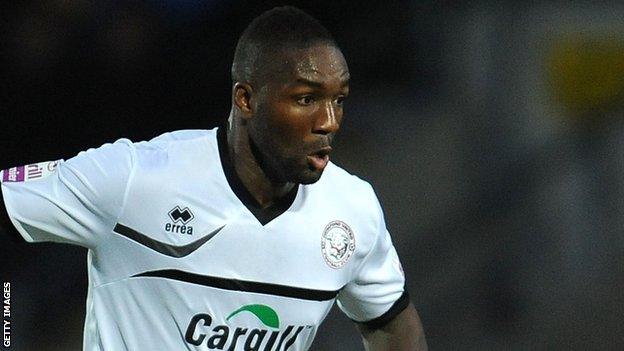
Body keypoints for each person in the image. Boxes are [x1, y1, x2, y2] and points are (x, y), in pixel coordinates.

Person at [0, 6, 427, 351]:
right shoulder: (136, 178)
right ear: (246, 99)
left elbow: (395, 327)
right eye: (306, 99)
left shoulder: (352, 210)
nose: (330, 122)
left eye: (339, 100)